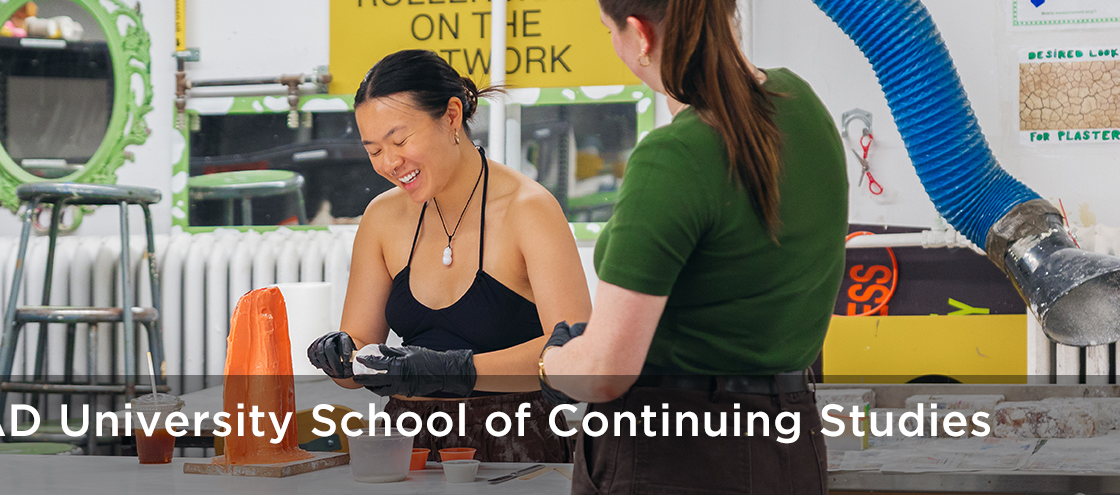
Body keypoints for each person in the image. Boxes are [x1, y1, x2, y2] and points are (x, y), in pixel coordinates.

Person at [537, 1, 847, 493]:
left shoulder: (674, 157)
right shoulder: (799, 101)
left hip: (679, 453)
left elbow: (603, 374)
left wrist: (552, 360)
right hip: (789, 444)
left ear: (639, 34)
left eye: (609, 31)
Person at [306, 49, 591, 463]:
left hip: (516, 443)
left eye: (400, 140)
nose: (389, 162)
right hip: (408, 445)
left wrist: (455, 369)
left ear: (452, 116)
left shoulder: (528, 209)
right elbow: (362, 353)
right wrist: (342, 356)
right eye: (373, 150)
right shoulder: (381, 218)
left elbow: (577, 357)